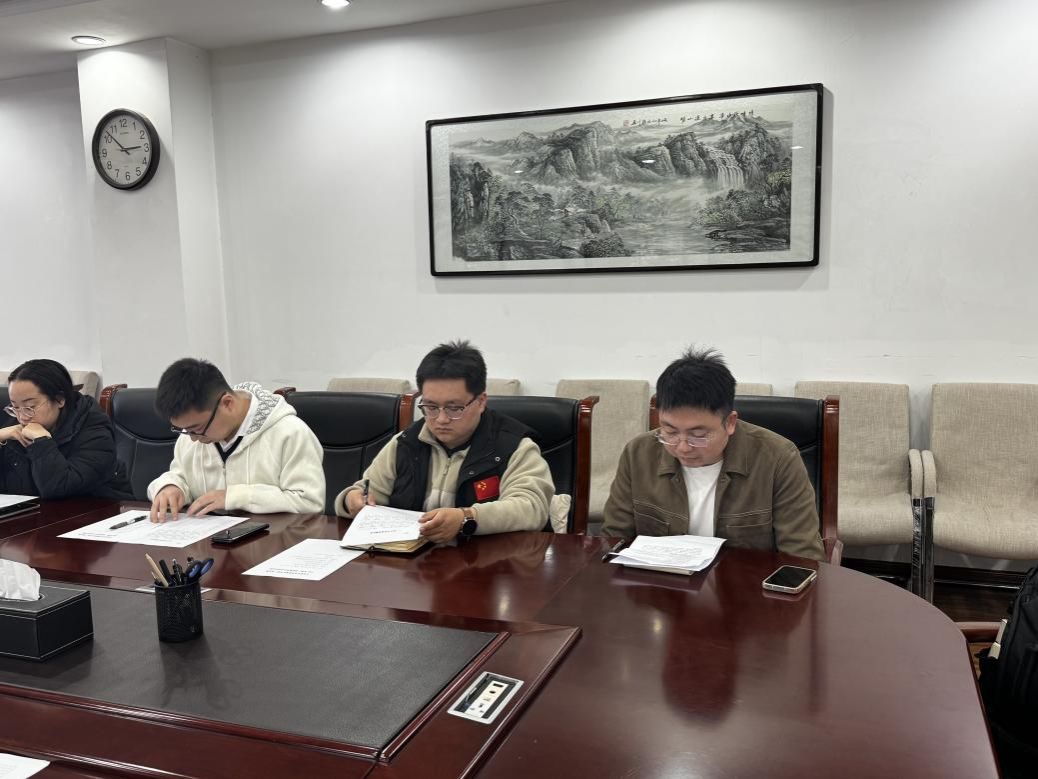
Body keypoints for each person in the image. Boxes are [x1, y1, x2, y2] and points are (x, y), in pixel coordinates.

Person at [602, 347, 824, 561]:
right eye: (670, 432)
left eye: (698, 435)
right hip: (659, 583)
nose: (683, 447)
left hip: (745, 583)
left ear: (730, 422)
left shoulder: (778, 459)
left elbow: (802, 556)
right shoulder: (638, 453)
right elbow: (614, 541)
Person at [334, 340, 554, 543]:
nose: (441, 419)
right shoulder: (406, 443)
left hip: (486, 563)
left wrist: (466, 518)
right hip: (415, 564)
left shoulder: (514, 446)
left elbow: (532, 508)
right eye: (430, 407)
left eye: (454, 408)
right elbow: (368, 491)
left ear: (481, 401)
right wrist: (350, 500)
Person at [148, 358, 324, 521]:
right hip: (209, 540)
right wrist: (170, 487)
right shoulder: (192, 435)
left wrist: (234, 497)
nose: (192, 439)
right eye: (185, 430)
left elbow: (309, 503)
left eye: (197, 429)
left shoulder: (290, 433)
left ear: (227, 403)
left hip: (274, 539)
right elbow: (181, 476)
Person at [0, 359, 132, 499]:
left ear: (60, 399)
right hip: (37, 510)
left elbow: (58, 489)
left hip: (98, 508)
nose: (22, 417)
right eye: (15, 407)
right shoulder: (18, 424)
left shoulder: (95, 430)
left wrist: (42, 442)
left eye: (30, 407)